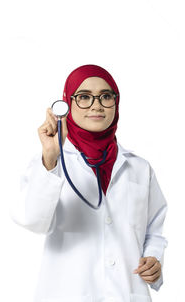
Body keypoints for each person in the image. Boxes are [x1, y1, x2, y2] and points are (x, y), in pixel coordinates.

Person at [11, 64, 168, 302]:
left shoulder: (139, 168)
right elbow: (32, 221)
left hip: (126, 293)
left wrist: (154, 258)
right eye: (84, 97)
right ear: (67, 103)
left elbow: (154, 229)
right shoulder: (50, 162)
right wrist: (51, 158)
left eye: (106, 96)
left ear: (116, 103)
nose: (96, 105)